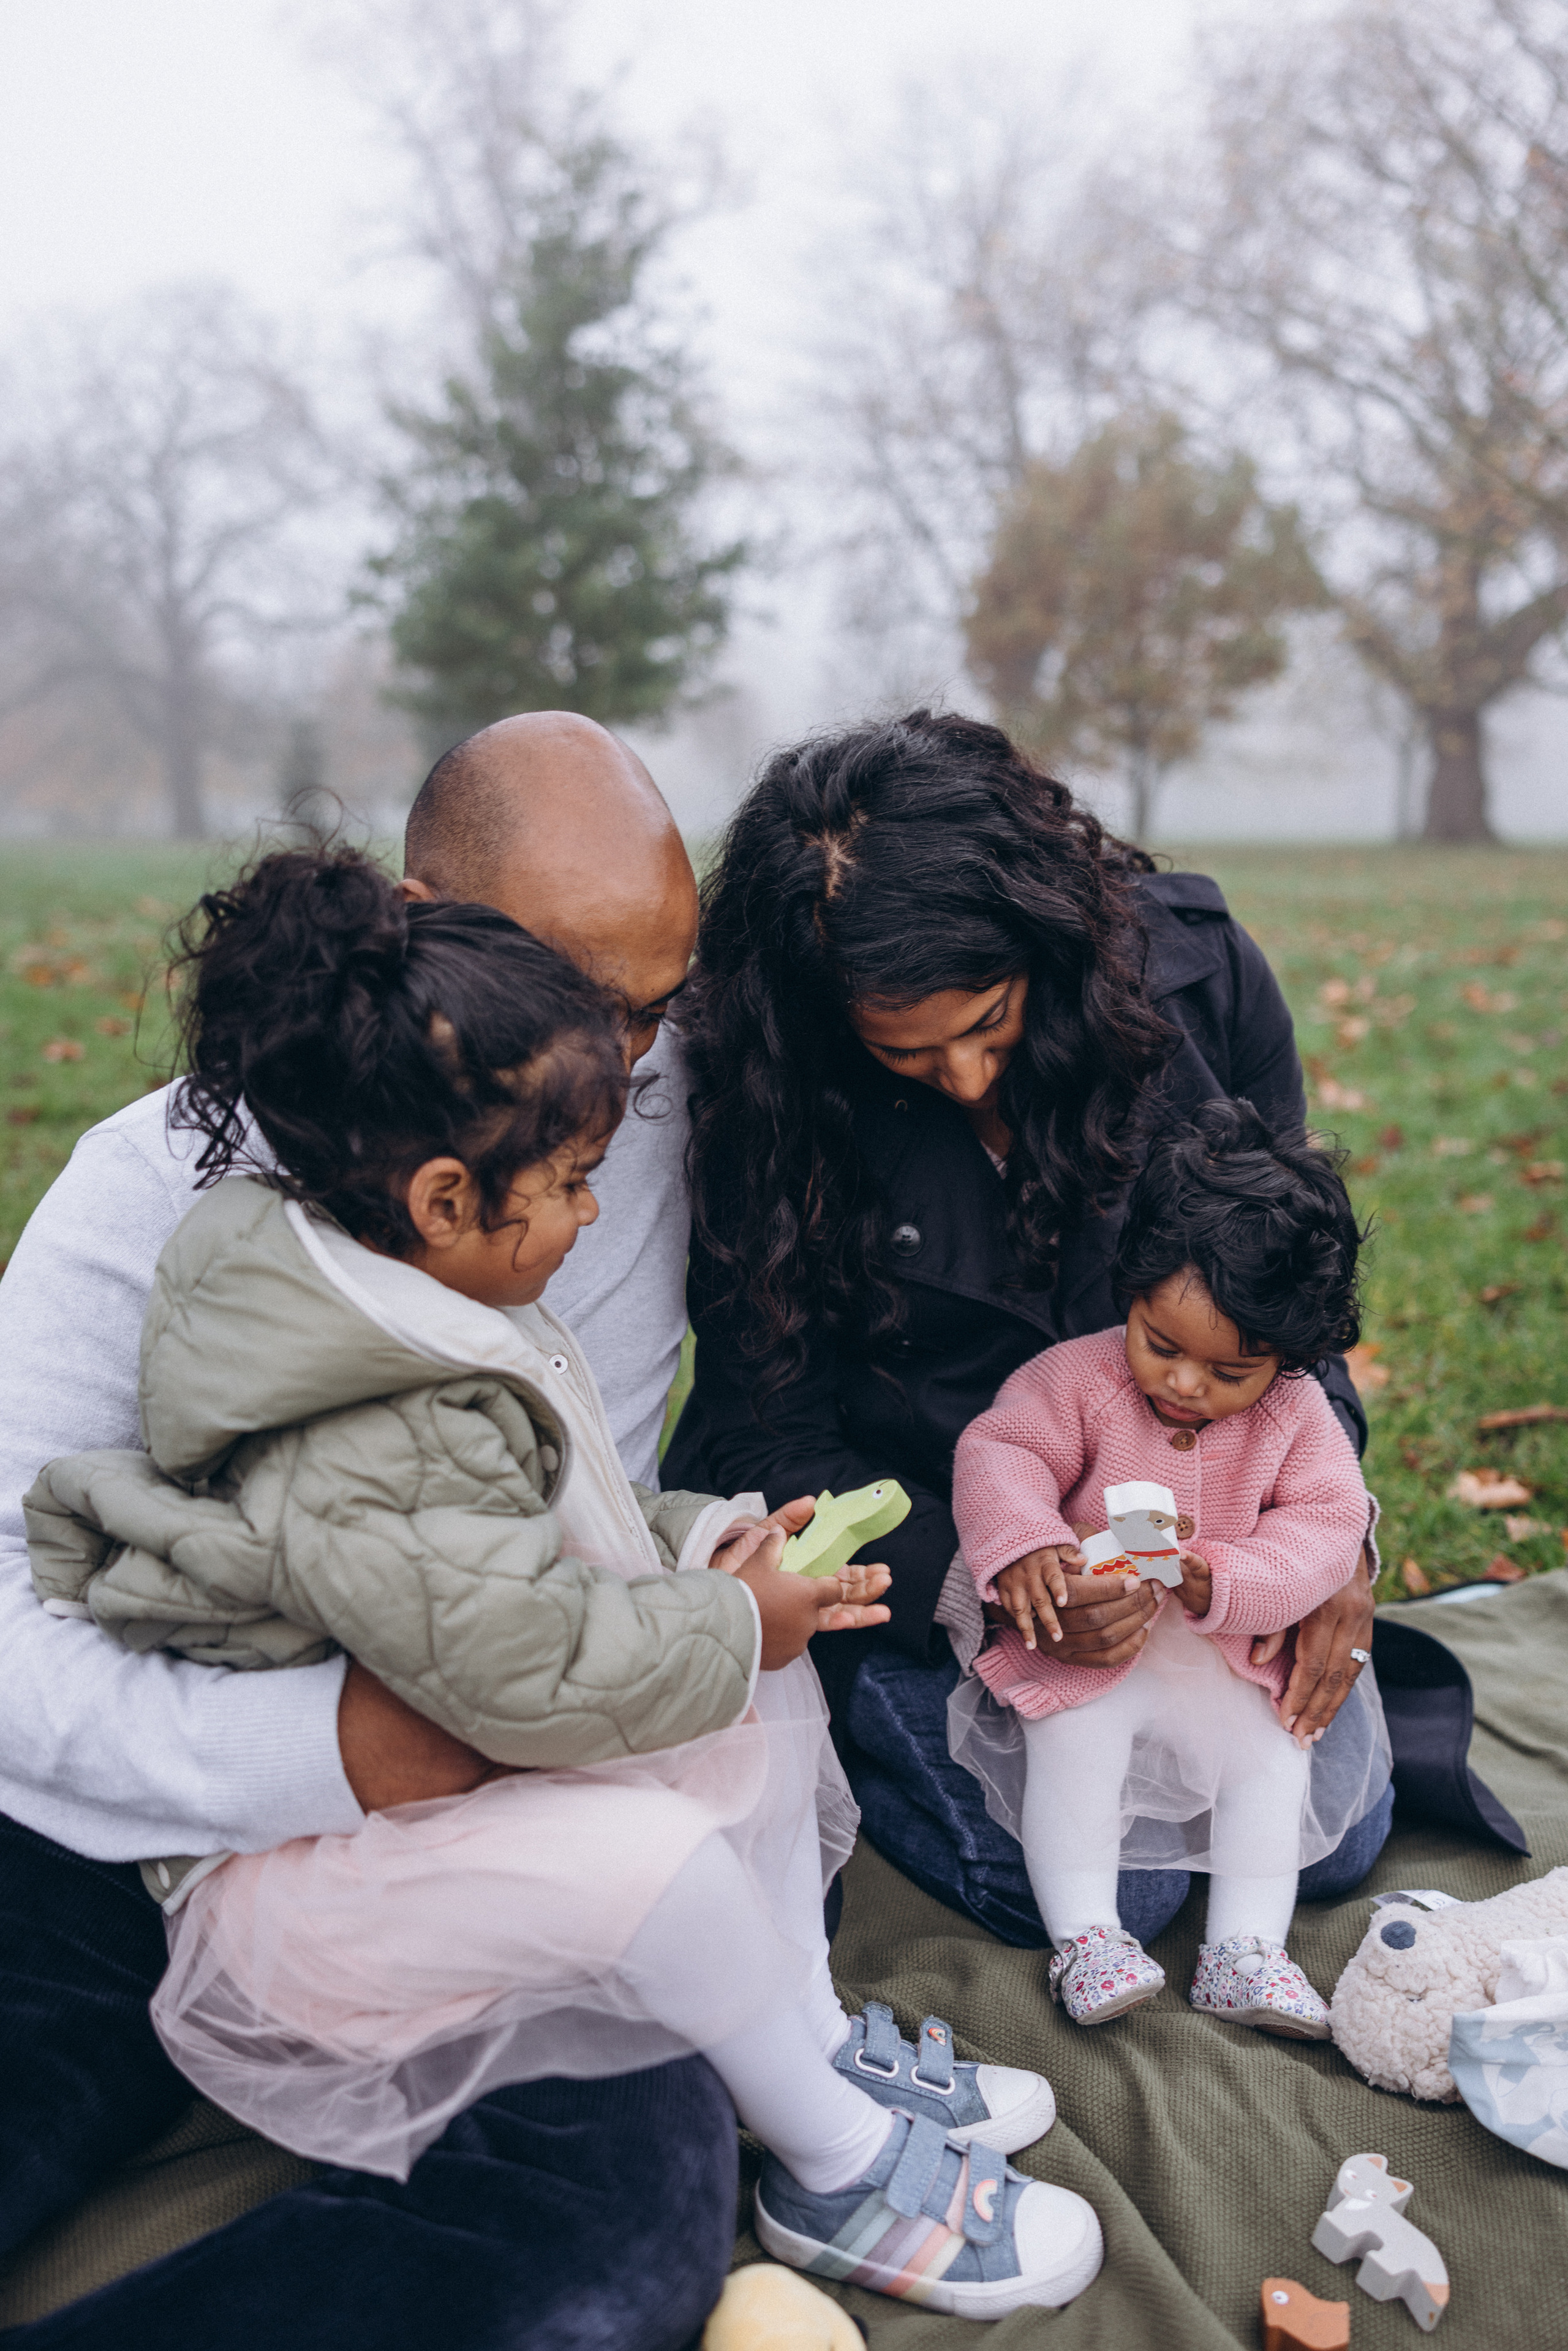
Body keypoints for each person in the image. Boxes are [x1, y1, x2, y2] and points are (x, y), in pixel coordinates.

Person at [27, 846, 1101, 2324]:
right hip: (257, 1841)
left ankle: (802, 2038)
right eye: (574, 1175)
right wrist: (707, 1625)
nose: (641, 1065)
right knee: (654, 1858)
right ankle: (844, 2160)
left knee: (754, 1694)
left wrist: (700, 1547)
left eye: (661, 1008)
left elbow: (541, 1521)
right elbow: (507, 1656)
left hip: (487, 1730)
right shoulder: (351, 1385)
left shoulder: (448, 1240)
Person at [0, 716, 750, 2351]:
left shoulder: (645, 1118)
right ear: (423, 924)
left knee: (632, 2192)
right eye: (586, 999)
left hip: (458, 1818)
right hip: (102, 1828)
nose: (626, 1067)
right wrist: (327, 1744)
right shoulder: (144, 1197)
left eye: (656, 1006)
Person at [663, 708, 1393, 1950]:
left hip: (1198, 1558)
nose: (958, 1078)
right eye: (904, 1051)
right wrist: (981, 1584)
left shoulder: (1196, 980)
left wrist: (1340, 1548)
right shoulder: (768, 1096)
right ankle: (856, 1723)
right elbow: (761, 1426)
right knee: (1119, 1887)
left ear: (1042, 942)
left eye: (986, 1024)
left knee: (1337, 1843)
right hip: (927, 1554)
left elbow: (1292, 1311)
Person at [951, 1103, 1384, 2035]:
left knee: (1272, 1763)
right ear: (1133, 1290)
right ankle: (1088, 1936)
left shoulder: (1296, 1417)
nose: (1188, 1384)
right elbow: (1001, 1452)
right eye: (1164, 1345)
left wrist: (1227, 1577)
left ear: (1293, 1355)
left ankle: (1246, 1948)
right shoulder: (1079, 1378)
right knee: (1075, 1750)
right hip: (1097, 1643)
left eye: (1232, 1371)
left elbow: (1326, 1522)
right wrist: (1024, 1540)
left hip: (1226, 1653)